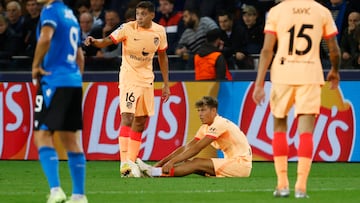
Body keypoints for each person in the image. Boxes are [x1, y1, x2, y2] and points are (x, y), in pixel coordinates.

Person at [252, 0, 341, 199]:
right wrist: (335, 70)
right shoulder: (322, 11)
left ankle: (282, 185)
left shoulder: (276, 11)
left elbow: (267, 50)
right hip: (310, 74)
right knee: (306, 132)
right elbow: (334, 49)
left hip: (283, 74)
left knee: (280, 127)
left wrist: (259, 84)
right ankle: (301, 188)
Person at [84, 1, 170, 177]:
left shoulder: (159, 31)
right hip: (129, 79)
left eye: (143, 14)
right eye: (138, 13)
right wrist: (94, 42)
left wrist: (166, 84)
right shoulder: (127, 28)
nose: (139, 17)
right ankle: (124, 163)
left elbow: (162, 56)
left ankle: (131, 162)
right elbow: (108, 41)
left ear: (152, 15)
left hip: (147, 81)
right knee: (127, 116)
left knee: (140, 121)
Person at [31, 0, 87, 202]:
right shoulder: (70, 14)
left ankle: (56, 190)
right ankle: (79, 195)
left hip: (53, 81)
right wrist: (75, 79)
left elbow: (46, 37)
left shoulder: (50, 10)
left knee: (42, 135)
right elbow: (80, 55)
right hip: (72, 80)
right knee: (70, 140)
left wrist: (35, 65)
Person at [136, 96, 252, 177]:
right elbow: (187, 147)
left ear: (213, 111)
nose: (200, 114)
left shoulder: (219, 124)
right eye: (199, 110)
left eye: (203, 110)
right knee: (192, 163)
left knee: (196, 162)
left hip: (240, 165)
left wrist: (172, 162)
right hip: (232, 163)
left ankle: (153, 173)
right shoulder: (205, 127)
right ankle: (153, 170)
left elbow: (197, 148)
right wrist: (161, 163)